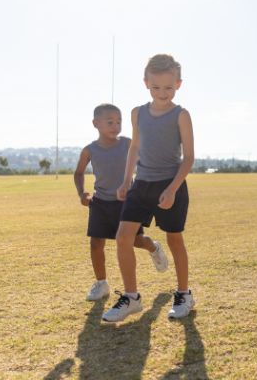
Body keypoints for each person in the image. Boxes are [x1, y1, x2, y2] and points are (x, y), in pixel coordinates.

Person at [102, 54, 196, 322]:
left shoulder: (181, 115)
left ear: (178, 84)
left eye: (168, 87)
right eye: (156, 87)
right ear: (146, 83)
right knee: (123, 237)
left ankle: (183, 294)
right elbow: (134, 147)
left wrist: (173, 189)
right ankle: (131, 297)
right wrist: (126, 180)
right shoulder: (137, 113)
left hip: (170, 184)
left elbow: (188, 158)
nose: (162, 93)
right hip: (141, 184)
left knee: (175, 239)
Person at [74, 103, 168, 302]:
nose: (115, 126)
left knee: (135, 241)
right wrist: (82, 193)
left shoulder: (128, 143)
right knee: (95, 244)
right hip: (100, 203)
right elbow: (79, 173)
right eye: (110, 122)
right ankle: (101, 284)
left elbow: (147, 160)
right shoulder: (89, 150)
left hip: (127, 202)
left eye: (119, 122)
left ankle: (154, 248)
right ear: (95, 123)